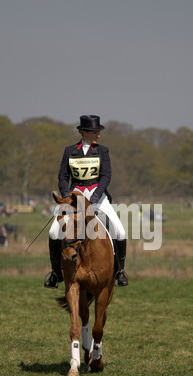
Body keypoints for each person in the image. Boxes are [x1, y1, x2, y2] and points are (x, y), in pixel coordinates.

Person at [44, 114, 128, 289]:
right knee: (53, 232)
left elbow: (106, 176)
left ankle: (120, 271)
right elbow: (63, 176)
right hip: (74, 196)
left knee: (120, 231)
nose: (98, 134)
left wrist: (96, 196)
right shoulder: (69, 151)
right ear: (84, 132)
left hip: (97, 195)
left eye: (98, 131)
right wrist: (66, 195)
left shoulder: (102, 151)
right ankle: (55, 273)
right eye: (95, 131)